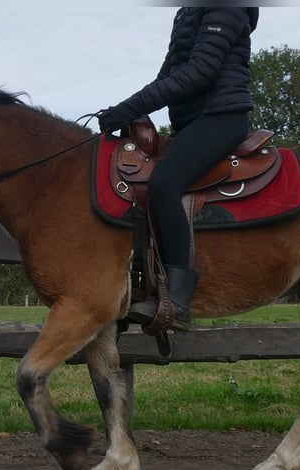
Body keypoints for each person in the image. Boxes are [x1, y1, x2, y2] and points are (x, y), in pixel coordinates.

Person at [97, 6, 259, 331]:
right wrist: (126, 110)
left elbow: (200, 71)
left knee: (164, 182)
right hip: (191, 121)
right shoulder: (188, 12)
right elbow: (168, 77)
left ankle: (178, 303)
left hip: (220, 117)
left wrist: (129, 108)